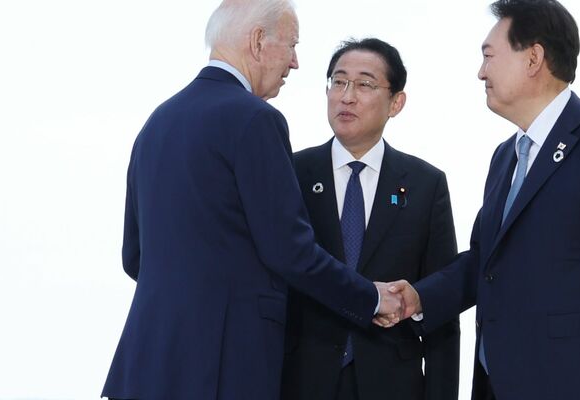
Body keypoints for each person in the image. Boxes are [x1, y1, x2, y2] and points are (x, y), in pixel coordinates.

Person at [101, 1, 403, 399]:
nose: (295, 62)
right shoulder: (255, 119)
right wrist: (372, 297)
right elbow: (289, 252)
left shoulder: (158, 121)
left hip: (146, 365)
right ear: (259, 42)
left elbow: (134, 255)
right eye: (292, 45)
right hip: (222, 367)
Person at [379, 1, 580, 399]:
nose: (480, 71)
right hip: (499, 383)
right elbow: (484, 262)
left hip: (578, 382)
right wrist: (419, 297)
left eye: (489, 55)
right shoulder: (505, 157)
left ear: (533, 57)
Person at [280, 38, 460, 400]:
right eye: (338, 81)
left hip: (392, 383)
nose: (346, 96)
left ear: (396, 102)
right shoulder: (291, 172)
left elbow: (442, 301)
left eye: (364, 84)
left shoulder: (426, 184)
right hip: (300, 380)